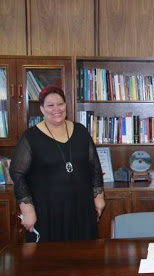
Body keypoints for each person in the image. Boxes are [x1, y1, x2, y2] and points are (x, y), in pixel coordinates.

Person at [10, 85, 105, 242]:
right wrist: (27, 210)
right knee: (50, 260)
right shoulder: (31, 136)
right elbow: (17, 174)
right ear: (41, 109)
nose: (56, 109)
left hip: (81, 207)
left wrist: (99, 197)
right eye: (50, 105)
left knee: (84, 258)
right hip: (47, 211)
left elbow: (94, 165)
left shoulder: (80, 131)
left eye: (60, 104)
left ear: (66, 105)